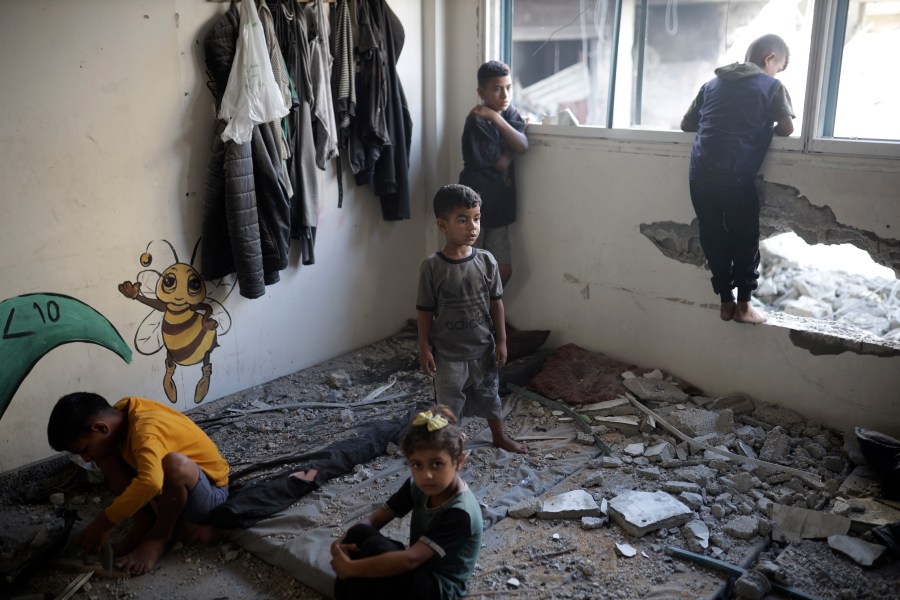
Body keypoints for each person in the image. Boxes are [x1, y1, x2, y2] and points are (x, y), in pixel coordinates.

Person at [46, 392, 230, 575]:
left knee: (174, 464)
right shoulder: (121, 412)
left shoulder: (145, 430)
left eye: (84, 449)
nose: (85, 457)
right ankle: (145, 519)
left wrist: (103, 523)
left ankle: (159, 537)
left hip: (210, 493)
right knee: (103, 452)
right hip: (172, 492)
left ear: (101, 428)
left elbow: (151, 483)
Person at [680, 34, 795, 324]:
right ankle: (744, 306)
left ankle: (725, 302)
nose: (776, 73)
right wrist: (759, 127)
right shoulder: (772, 87)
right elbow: (787, 128)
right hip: (735, 174)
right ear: (770, 59)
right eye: (778, 67)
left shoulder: (712, 84)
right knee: (745, 238)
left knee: (712, 234)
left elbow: (686, 125)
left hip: (699, 173)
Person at [416, 184, 527, 454]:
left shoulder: (487, 261)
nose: (472, 227)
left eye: (476, 218)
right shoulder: (433, 266)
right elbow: (425, 311)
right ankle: (450, 444)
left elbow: (496, 304)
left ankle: (499, 436)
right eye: (463, 220)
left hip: (482, 349)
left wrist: (501, 341)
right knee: (448, 405)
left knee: (491, 397)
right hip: (449, 354)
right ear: (442, 225)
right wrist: (423, 348)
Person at [330, 406, 482, 600]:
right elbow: (372, 521)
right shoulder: (417, 486)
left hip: (438, 586)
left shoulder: (461, 513)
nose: (426, 474)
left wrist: (351, 568)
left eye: (437, 464)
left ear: (459, 461)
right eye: (417, 465)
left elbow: (411, 559)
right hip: (417, 567)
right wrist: (338, 544)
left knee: (371, 556)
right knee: (358, 534)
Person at [459, 60, 529, 287]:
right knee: (470, 266)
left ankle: (485, 315)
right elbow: (501, 163)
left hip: (500, 203)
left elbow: (523, 146)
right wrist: (510, 139)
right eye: (497, 89)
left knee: (503, 269)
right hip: (474, 202)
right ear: (482, 92)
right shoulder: (477, 120)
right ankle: (469, 317)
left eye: (508, 88)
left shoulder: (507, 114)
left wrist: (497, 118)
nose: (505, 94)